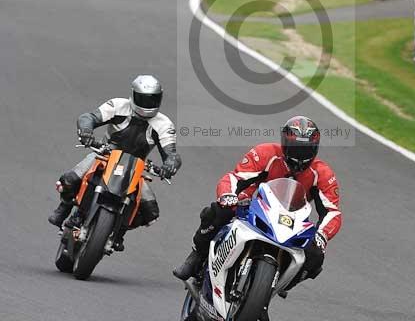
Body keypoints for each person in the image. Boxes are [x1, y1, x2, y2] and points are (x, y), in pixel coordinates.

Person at [173, 115, 341, 285]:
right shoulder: (266, 153)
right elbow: (235, 177)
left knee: (316, 256)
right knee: (218, 211)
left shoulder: (322, 173)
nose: (300, 156)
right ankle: (197, 255)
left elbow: (332, 211)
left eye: (305, 150)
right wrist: (228, 195)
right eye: (296, 148)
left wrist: (322, 234)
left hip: (291, 221)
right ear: (284, 143)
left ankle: (273, 288)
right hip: (252, 207)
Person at [48, 75, 181, 244]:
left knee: (150, 212)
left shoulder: (164, 124)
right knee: (69, 180)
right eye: (143, 98)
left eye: (152, 99)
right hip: (105, 154)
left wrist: (170, 164)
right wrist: (86, 132)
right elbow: (88, 117)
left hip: (136, 168)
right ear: (133, 95)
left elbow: (172, 154)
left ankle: (119, 231)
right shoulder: (118, 105)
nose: (147, 104)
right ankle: (65, 207)